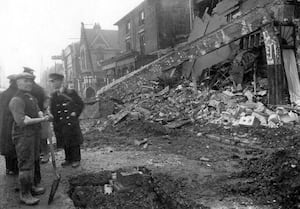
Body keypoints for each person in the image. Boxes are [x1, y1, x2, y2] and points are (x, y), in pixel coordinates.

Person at [9, 72, 50, 205]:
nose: (29, 83)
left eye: (30, 81)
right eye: (25, 81)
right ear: (17, 82)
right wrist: (42, 119)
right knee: (26, 165)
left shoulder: (31, 97)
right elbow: (22, 121)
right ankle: (25, 194)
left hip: (33, 134)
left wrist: (44, 114)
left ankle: (31, 186)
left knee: (33, 161)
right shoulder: (16, 100)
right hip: (23, 136)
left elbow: (37, 111)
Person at [49, 73, 84, 168]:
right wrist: (53, 119)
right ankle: (68, 158)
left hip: (70, 121)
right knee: (64, 140)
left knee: (74, 141)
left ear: (60, 81)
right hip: (60, 122)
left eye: (54, 81)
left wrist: (75, 113)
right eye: (51, 82)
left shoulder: (70, 92)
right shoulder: (53, 95)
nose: (53, 83)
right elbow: (53, 109)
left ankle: (76, 159)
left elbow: (80, 104)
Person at [23, 67, 49, 163]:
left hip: (39, 115)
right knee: (32, 137)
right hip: (27, 116)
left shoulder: (38, 89)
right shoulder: (22, 90)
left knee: (42, 136)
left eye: (28, 79)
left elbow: (46, 99)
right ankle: (37, 154)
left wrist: (44, 110)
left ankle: (45, 154)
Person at [0, 75, 19, 175]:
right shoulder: (16, 94)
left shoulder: (3, 94)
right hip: (13, 122)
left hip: (4, 123)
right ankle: (15, 168)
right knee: (14, 145)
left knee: (7, 145)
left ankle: (9, 168)